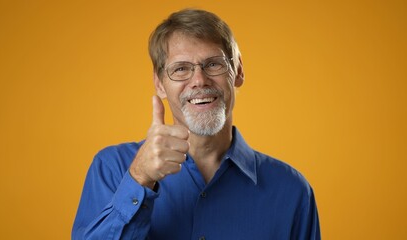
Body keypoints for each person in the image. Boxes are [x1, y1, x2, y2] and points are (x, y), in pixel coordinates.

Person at [72, 8, 320, 240]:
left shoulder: (293, 191)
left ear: (238, 70)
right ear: (160, 84)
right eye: (181, 69)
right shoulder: (111, 169)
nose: (199, 80)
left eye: (213, 63)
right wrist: (139, 180)